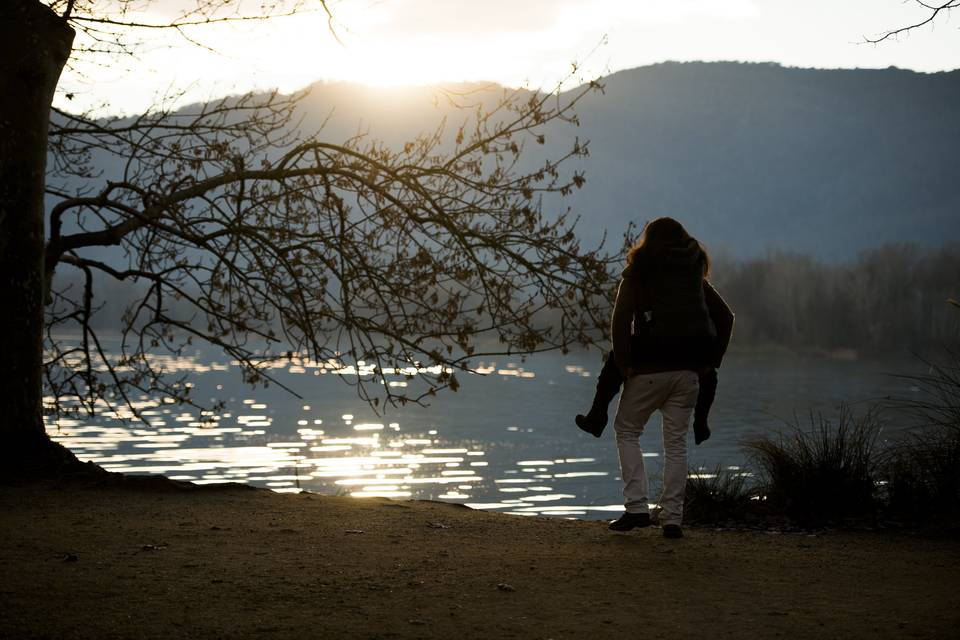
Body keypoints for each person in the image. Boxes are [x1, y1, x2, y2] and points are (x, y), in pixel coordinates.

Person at [585, 217, 733, 539]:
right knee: (676, 444)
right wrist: (711, 362)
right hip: (689, 373)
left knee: (626, 430)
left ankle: (636, 509)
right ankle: (672, 520)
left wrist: (624, 364)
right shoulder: (694, 276)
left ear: (648, 241)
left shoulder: (639, 272)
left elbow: (621, 319)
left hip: (649, 371)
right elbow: (726, 317)